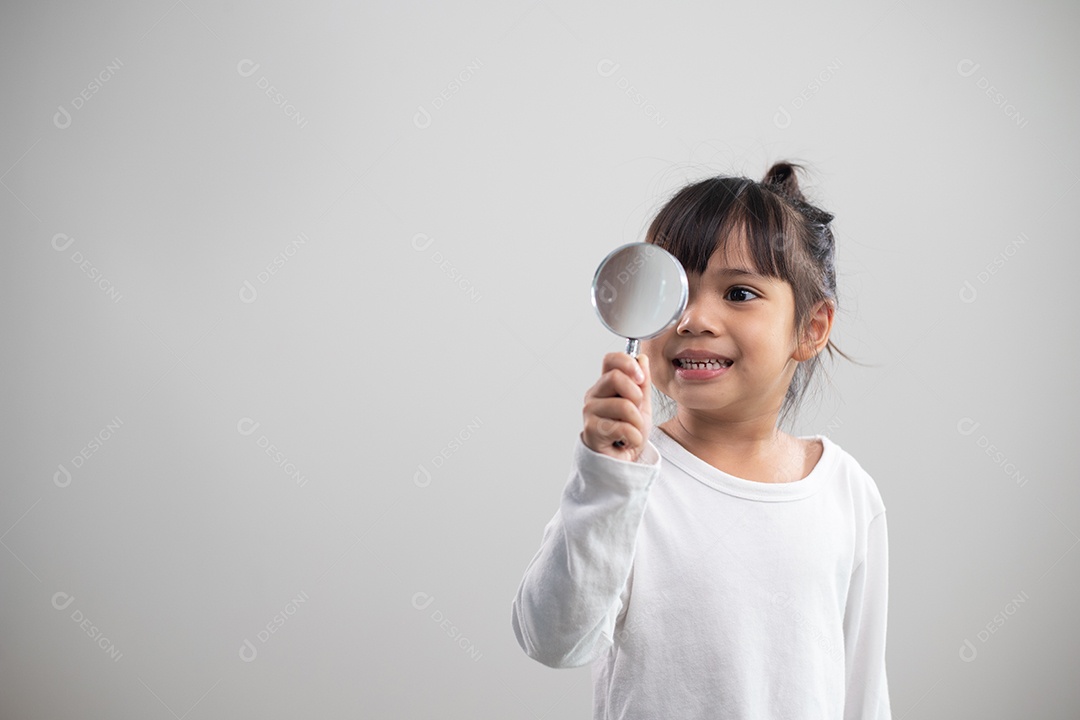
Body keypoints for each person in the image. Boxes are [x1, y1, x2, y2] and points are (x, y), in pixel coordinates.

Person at [510, 162, 891, 719]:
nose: (693, 318)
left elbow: (862, 691)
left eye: (739, 293)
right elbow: (554, 638)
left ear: (811, 328)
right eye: (675, 290)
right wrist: (608, 478)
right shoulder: (627, 480)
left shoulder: (846, 492)